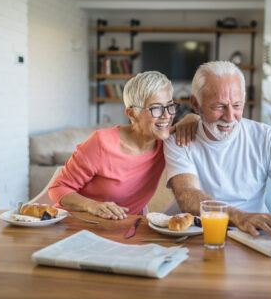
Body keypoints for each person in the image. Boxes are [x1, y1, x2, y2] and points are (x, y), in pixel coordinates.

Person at [164, 61, 271, 237]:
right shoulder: (181, 139)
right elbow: (188, 196)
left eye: (237, 105)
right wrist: (239, 217)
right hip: (202, 236)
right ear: (195, 104)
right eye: (219, 106)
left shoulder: (266, 137)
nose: (230, 117)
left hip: (255, 235)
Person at [48, 71, 198, 219]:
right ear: (131, 114)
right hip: (75, 223)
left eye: (170, 106)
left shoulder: (167, 142)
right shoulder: (101, 143)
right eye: (156, 108)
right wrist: (92, 205)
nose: (167, 115)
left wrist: (194, 117)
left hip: (120, 229)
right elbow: (57, 188)